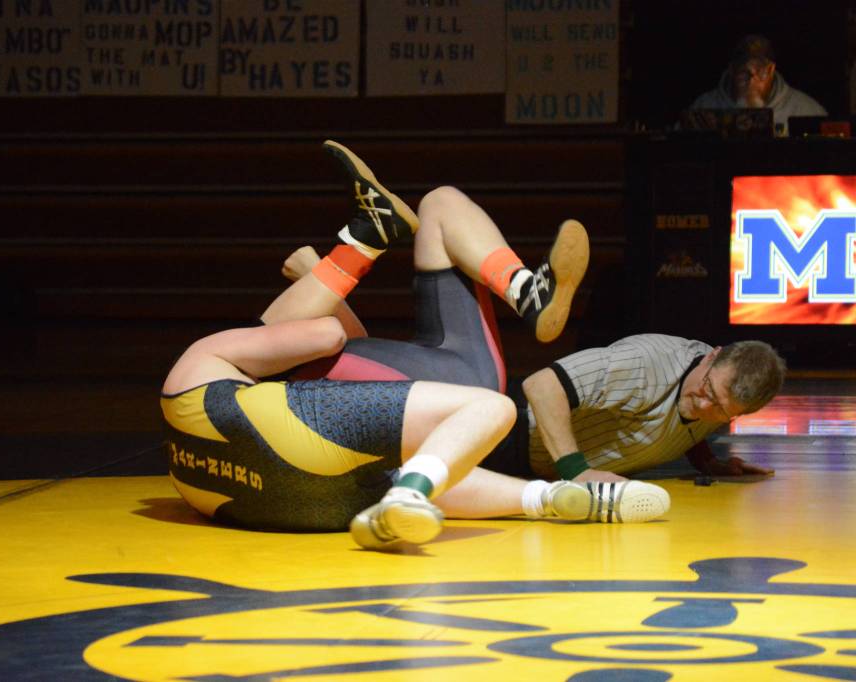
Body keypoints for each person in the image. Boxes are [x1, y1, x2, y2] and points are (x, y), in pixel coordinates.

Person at [161, 141, 670, 552]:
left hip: (276, 504)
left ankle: (549, 496)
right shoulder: (204, 362)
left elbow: (351, 352)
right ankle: (368, 237)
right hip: (312, 426)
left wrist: (316, 286)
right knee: (489, 409)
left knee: (439, 207)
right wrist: (318, 277)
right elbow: (329, 336)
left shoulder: (206, 414)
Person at [271, 147, 787, 486]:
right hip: (482, 410)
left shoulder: (714, 392)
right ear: (711, 355)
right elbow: (543, 385)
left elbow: (688, 415)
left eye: (720, 409)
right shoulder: (649, 365)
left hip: (463, 380)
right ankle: (339, 261)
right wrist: (575, 473)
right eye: (708, 390)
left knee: (440, 204)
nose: (705, 404)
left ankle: (521, 291)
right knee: (292, 348)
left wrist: (706, 457)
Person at [688, 34, 827, 135]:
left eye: (760, 72)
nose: (752, 81)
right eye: (744, 72)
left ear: (771, 70)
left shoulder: (805, 110)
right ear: (732, 70)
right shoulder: (703, 109)